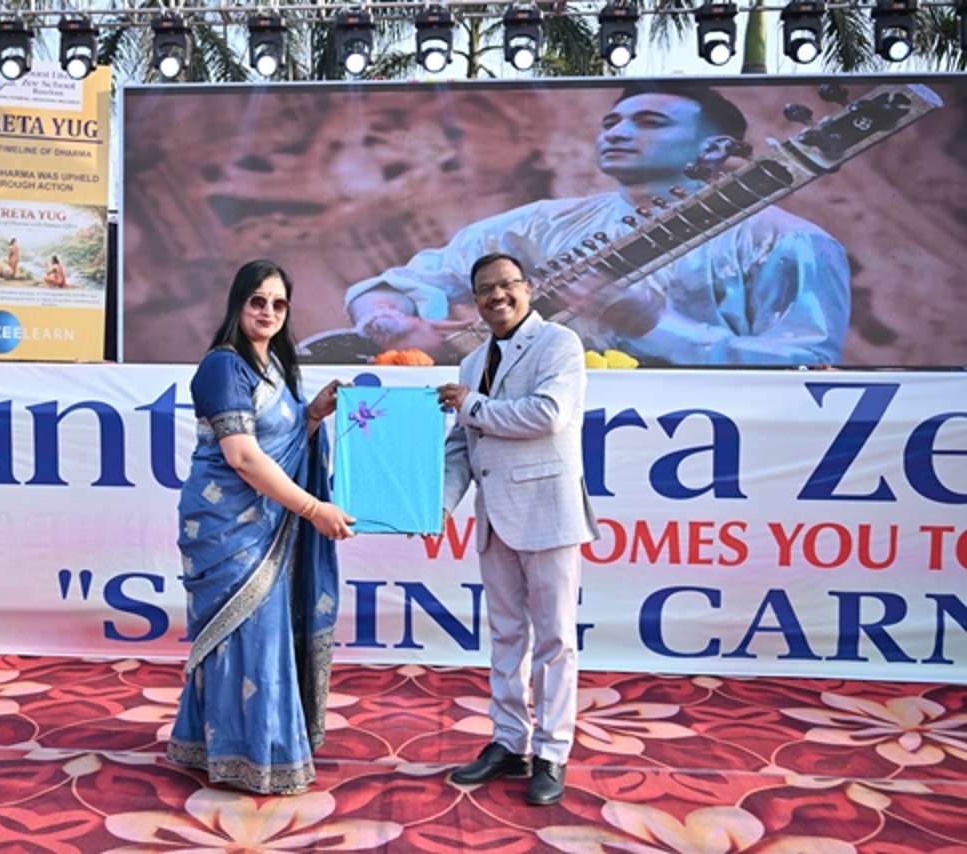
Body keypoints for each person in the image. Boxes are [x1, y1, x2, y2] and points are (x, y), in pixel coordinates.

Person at [346, 82, 851, 366]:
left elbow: (806, 361)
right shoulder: (543, 224)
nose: (618, 133)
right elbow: (402, 284)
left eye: (649, 123)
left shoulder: (790, 242)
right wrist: (388, 319)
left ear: (716, 148)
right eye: (611, 122)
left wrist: (653, 326)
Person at [167, 259, 356, 795]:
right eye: (258, 301)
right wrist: (314, 510)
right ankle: (248, 753)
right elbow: (244, 458)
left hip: (269, 521)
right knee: (248, 634)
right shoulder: (223, 366)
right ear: (238, 304)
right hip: (227, 526)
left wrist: (312, 416)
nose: (268, 312)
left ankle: (230, 744)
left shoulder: (275, 367)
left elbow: (282, 442)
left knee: (266, 632)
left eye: (278, 303)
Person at [436, 252, 597, 806]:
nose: (497, 296)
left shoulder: (559, 344)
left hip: (547, 512)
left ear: (529, 288)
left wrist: (474, 405)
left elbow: (547, 415)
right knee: (506, 636)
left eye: (507, 285)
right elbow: (461, 447)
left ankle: (552, 752)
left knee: (555, 638)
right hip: (494, 517)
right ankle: (509, 742)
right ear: (475, 301)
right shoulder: (471, 362)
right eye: (485, 289)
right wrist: (438, 506)